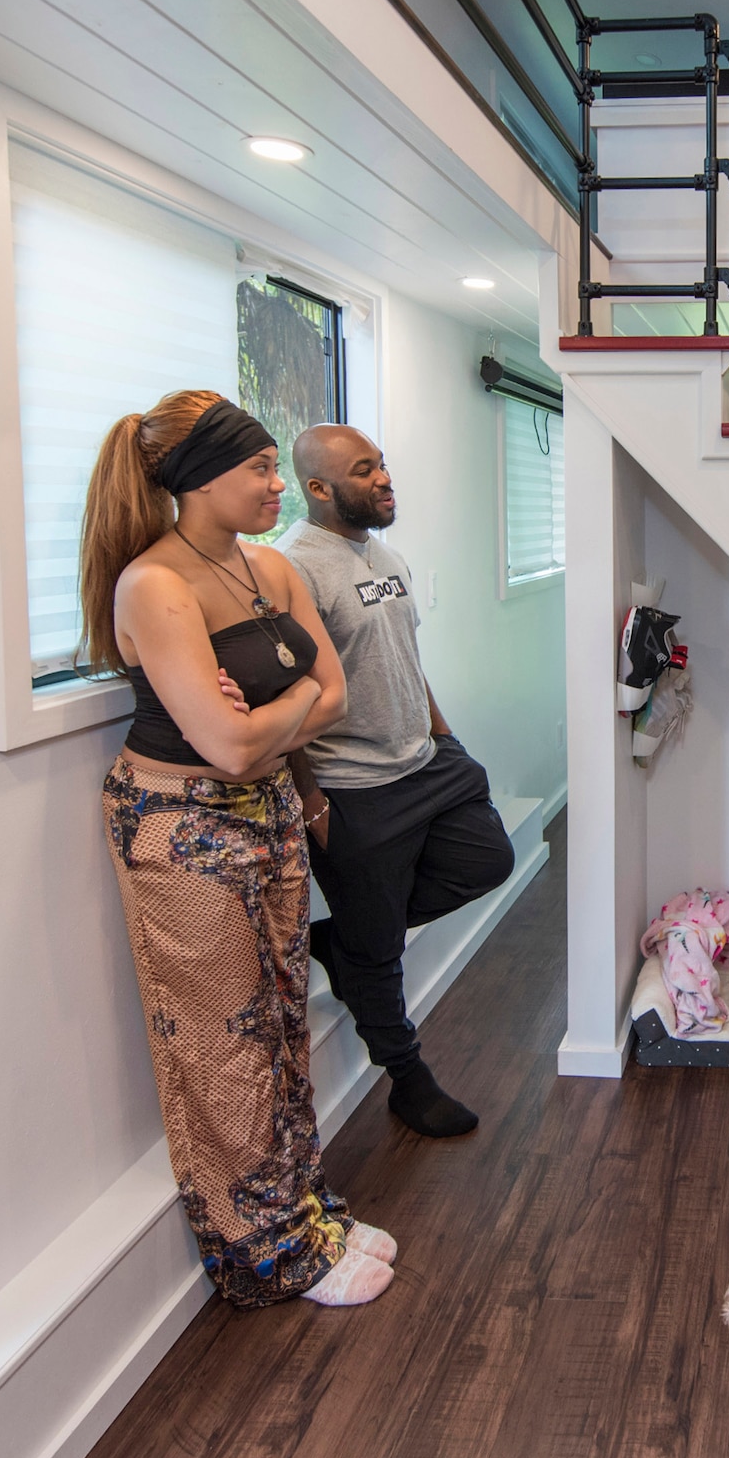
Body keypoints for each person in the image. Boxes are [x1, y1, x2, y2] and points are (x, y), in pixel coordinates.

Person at [83, 389, 396, 1308]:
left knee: (282, 1023)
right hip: (181, 831)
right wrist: (277, 711)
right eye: (258, 468)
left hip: (268, 812)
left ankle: (306, 1214)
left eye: (271, 467)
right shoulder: (154, 584)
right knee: (223, 1047)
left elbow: (331, 697)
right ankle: (264, 1256)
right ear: (196, 479)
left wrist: (267, 713)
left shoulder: (270, 569)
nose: (275, 484)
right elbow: (224, 746)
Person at [281, 423, 516, 1139]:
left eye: (381, 464)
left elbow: (404, 659)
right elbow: (282, 697)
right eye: (365, 470)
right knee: (379, 956)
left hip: (427, 760)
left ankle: (348, 938)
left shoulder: (384, 554)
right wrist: (312, 800)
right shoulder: (295, 568)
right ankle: (406, 1079)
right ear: (320, 489)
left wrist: (446, 739)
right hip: (353, 786)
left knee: (489, 858)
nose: (385, 478)